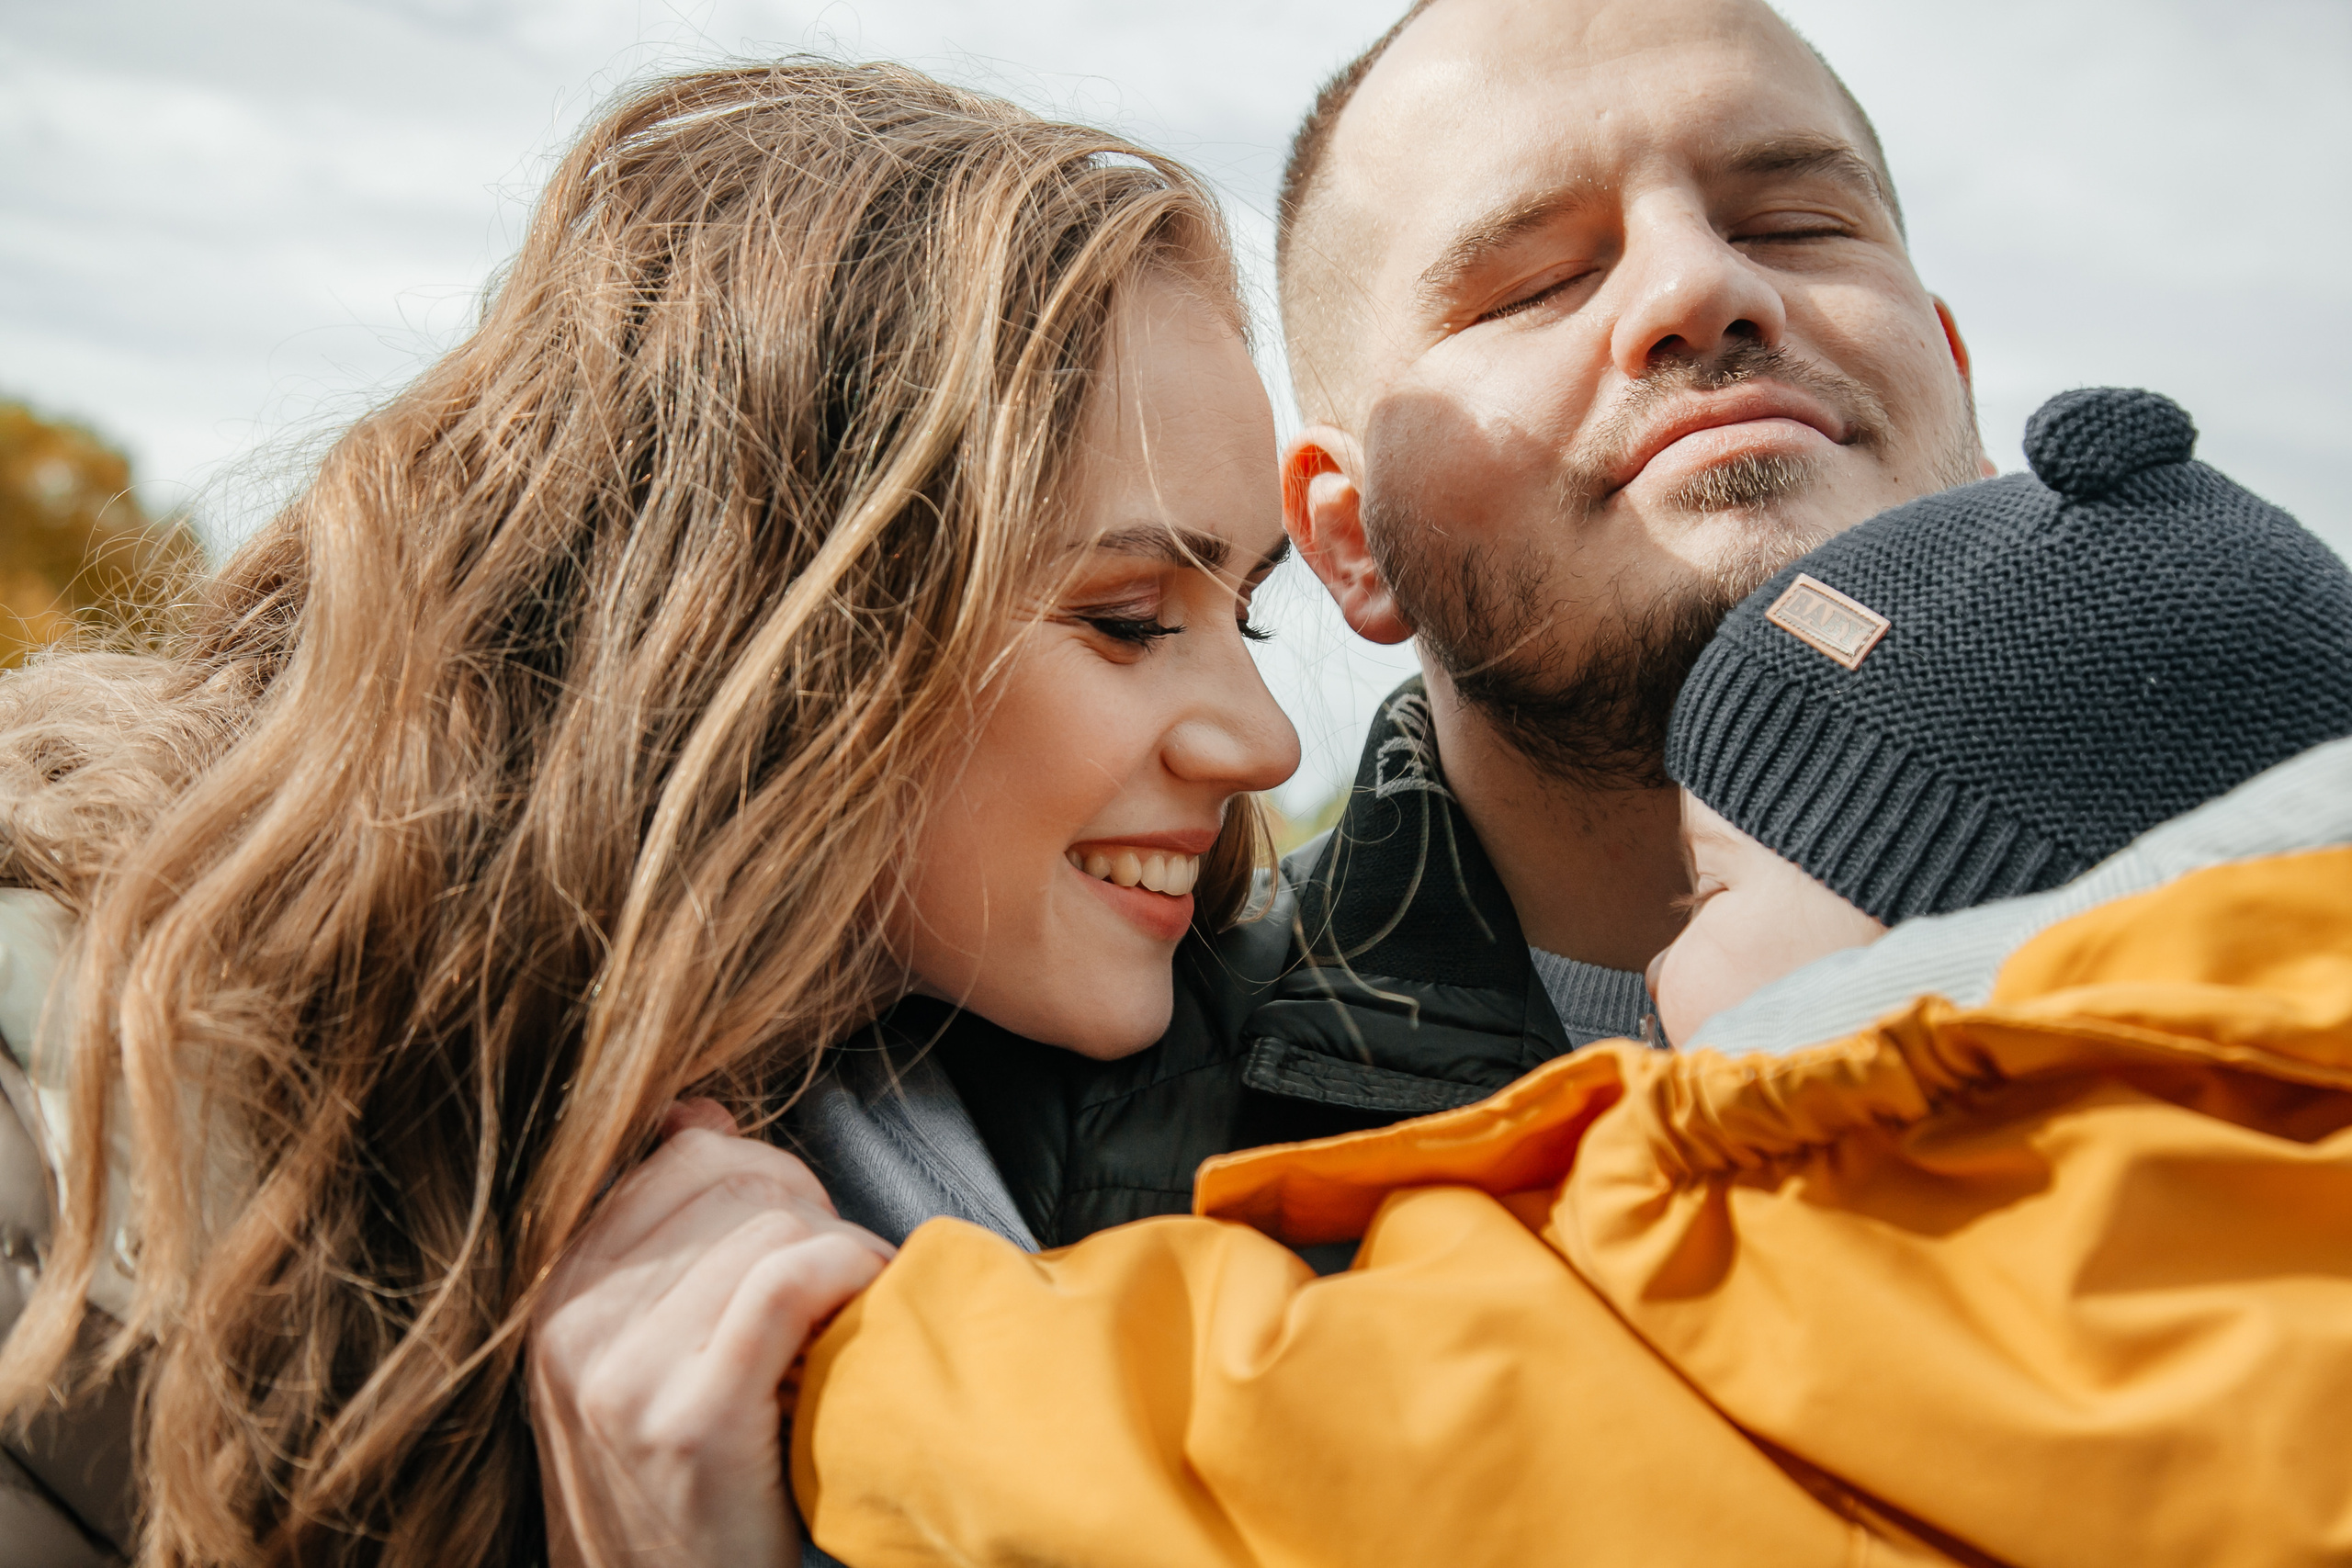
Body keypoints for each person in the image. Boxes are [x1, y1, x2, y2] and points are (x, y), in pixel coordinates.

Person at [0, 62, 1299, 1566]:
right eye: (1132, 619)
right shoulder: (66, 1142)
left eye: (1248, 621)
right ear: (768, 625)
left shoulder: (1097, 1121)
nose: (1264, 745)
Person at [786, 389, 2352, 1567]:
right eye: (1131, 619)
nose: (1264, 740)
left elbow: (1283, 1434)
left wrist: (836, 1363)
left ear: (1932, 936)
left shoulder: (1841, 1241)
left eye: (1715, 887)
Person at [911, 0, 1998, 1248]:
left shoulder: (2264, 894)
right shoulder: (1029, 1157)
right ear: (1349, 538)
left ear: (1958, 384)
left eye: (1795, 225)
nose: (1703, 282)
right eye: (1539, 280)